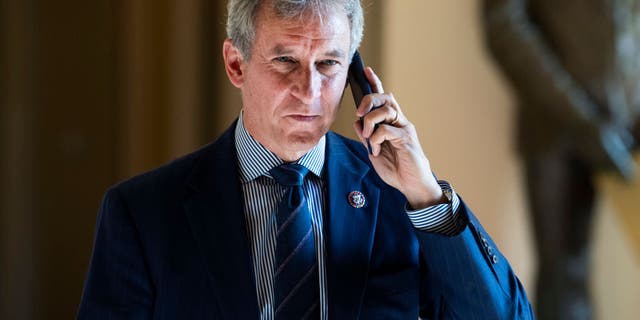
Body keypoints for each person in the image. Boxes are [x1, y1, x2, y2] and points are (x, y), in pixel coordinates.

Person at [78, 0, 533, 318]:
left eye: (329, 64)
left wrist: (424, 192)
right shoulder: (141, 214)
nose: (310, 92)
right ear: (236, 64)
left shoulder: (403, 200)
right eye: (285, 61)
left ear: (355, 73)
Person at [481, 0, 640, 319]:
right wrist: (581, 121)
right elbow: (504, 27)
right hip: (554, 128)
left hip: (630, 123)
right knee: (562, 278)